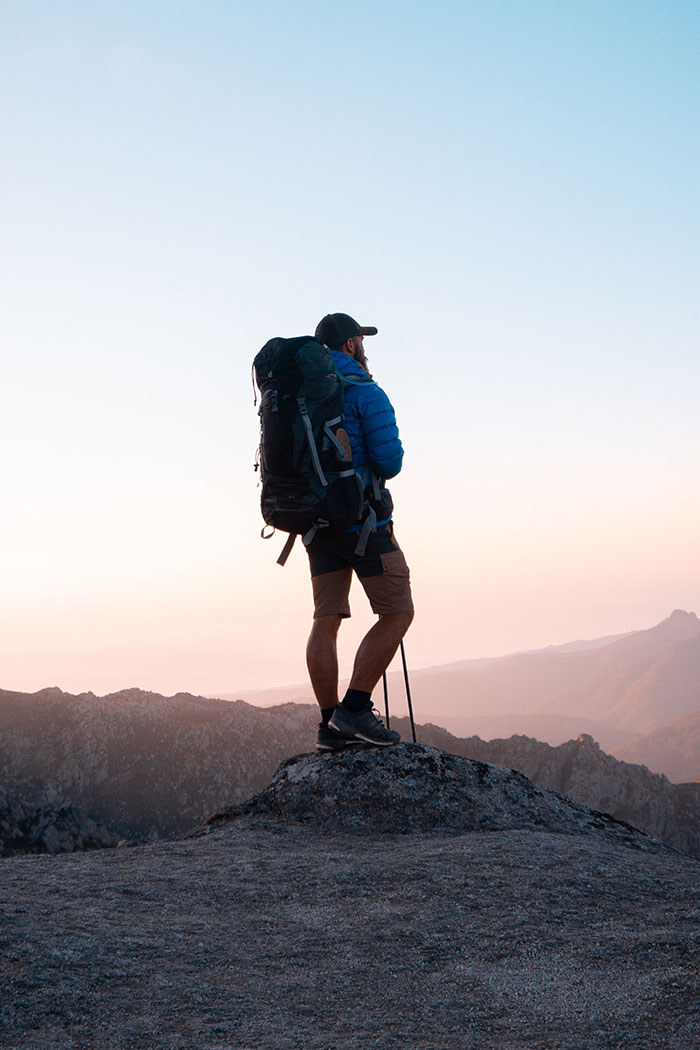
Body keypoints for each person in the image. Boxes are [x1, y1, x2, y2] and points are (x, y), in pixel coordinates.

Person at [307, 312, 414, 751]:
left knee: (325, 620)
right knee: (397, 612)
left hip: (315, 524)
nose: (362, 344)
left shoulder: (303, 394)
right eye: (359, 338)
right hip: (364, 522)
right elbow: (389, 462)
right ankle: (355, 708)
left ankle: (329, 724)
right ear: (350, 345)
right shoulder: (365, 391)